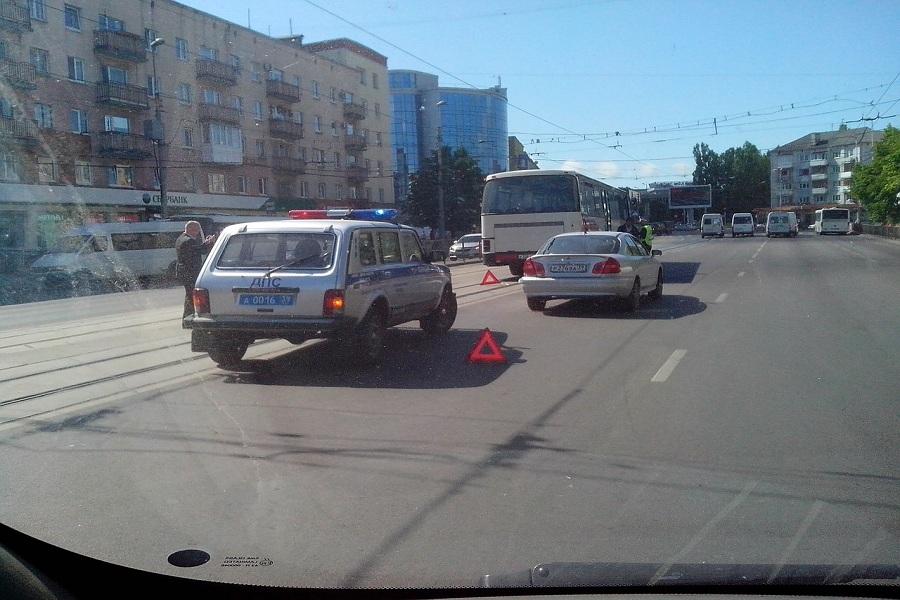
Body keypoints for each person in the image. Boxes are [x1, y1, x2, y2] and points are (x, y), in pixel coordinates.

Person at [175, 221, 216, 320]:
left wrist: (205, 243)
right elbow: (200, 251)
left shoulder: (181, 238)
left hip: (184, 272)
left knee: (189, 296)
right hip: (189, 273)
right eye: (197, 230)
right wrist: (208, 243)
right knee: (190, 297)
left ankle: (188, 318)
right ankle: (188, 318)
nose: (198, 232)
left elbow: (197, 249)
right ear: (191, 229)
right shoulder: (188, 241)